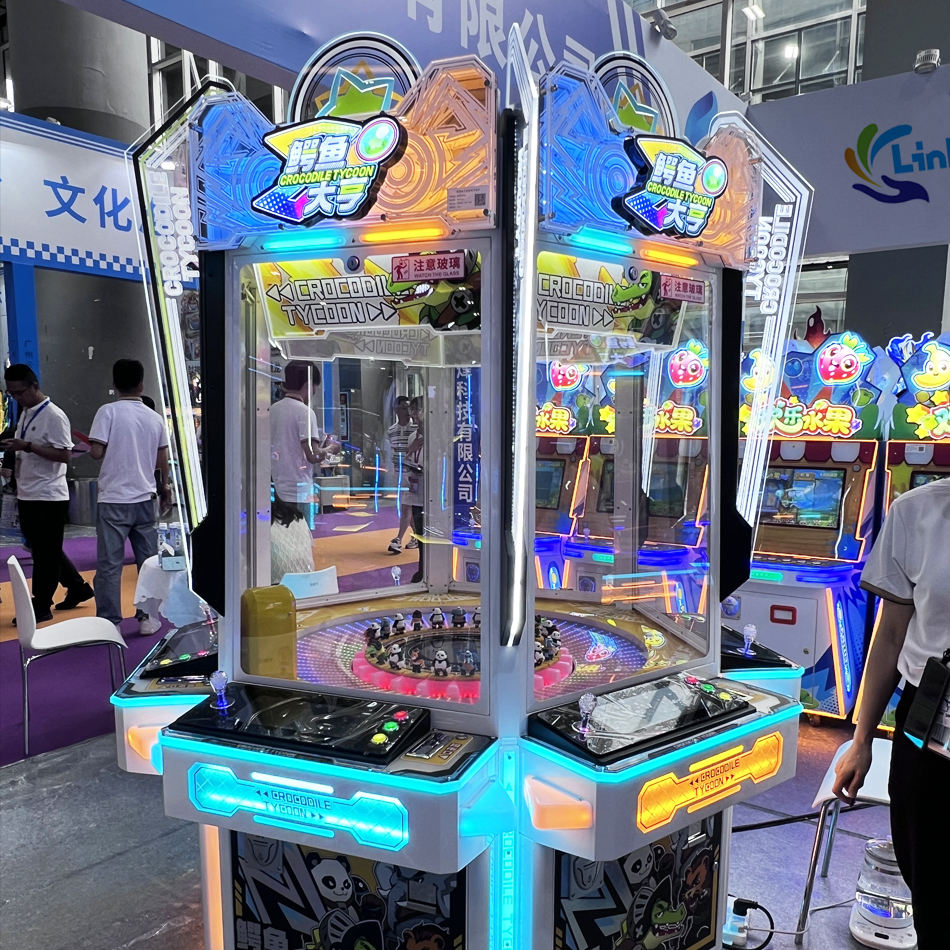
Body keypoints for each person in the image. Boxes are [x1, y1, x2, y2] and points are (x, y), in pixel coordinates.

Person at [832, 475, 950, 949]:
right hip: (929, 716)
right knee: (930, 881)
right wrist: (861, 740)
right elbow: (890, 634)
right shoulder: (916, 510)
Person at [2, 364, 92, 622]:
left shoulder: (54, 415)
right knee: (44, 549)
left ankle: (41, 604)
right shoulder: (26, 413)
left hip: (49, 495)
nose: (17, 398)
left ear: (34, 386)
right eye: (12, 393)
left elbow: (65, 455)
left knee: (45, 554)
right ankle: (77, 587)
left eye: (20, 392)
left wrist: (28, 446)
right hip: (27, 492)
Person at [88, 359, 170, 633]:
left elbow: (96, 452)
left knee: (109, 565)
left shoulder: (107, 412)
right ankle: (147, 618)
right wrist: (165, 487)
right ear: (141, 384)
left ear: (114, 383)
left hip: (113, 499)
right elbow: (162, 458)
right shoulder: (154, 417)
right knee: (148, 563)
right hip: (146, 497)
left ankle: (109, 621)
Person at [386, 395, 417, 554]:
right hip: (399, 473)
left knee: (406, 506)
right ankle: (416, 536)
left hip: (413, 474)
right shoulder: (391, 431)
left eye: (409, 408)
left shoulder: (416, 429)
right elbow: (392, 452)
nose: (407, 411)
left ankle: (398, 539)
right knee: (406, 506)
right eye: (404, 408)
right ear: (397, 409)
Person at [403, 395, 425, 584]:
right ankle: (422, 569)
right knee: (420, 534)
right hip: (416, 491)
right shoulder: (412, 437)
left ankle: (427, 570)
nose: (413, 415)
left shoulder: (437, 437)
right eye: (413, 411)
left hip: (433, 494)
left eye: (417, 410)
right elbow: (406, 460)